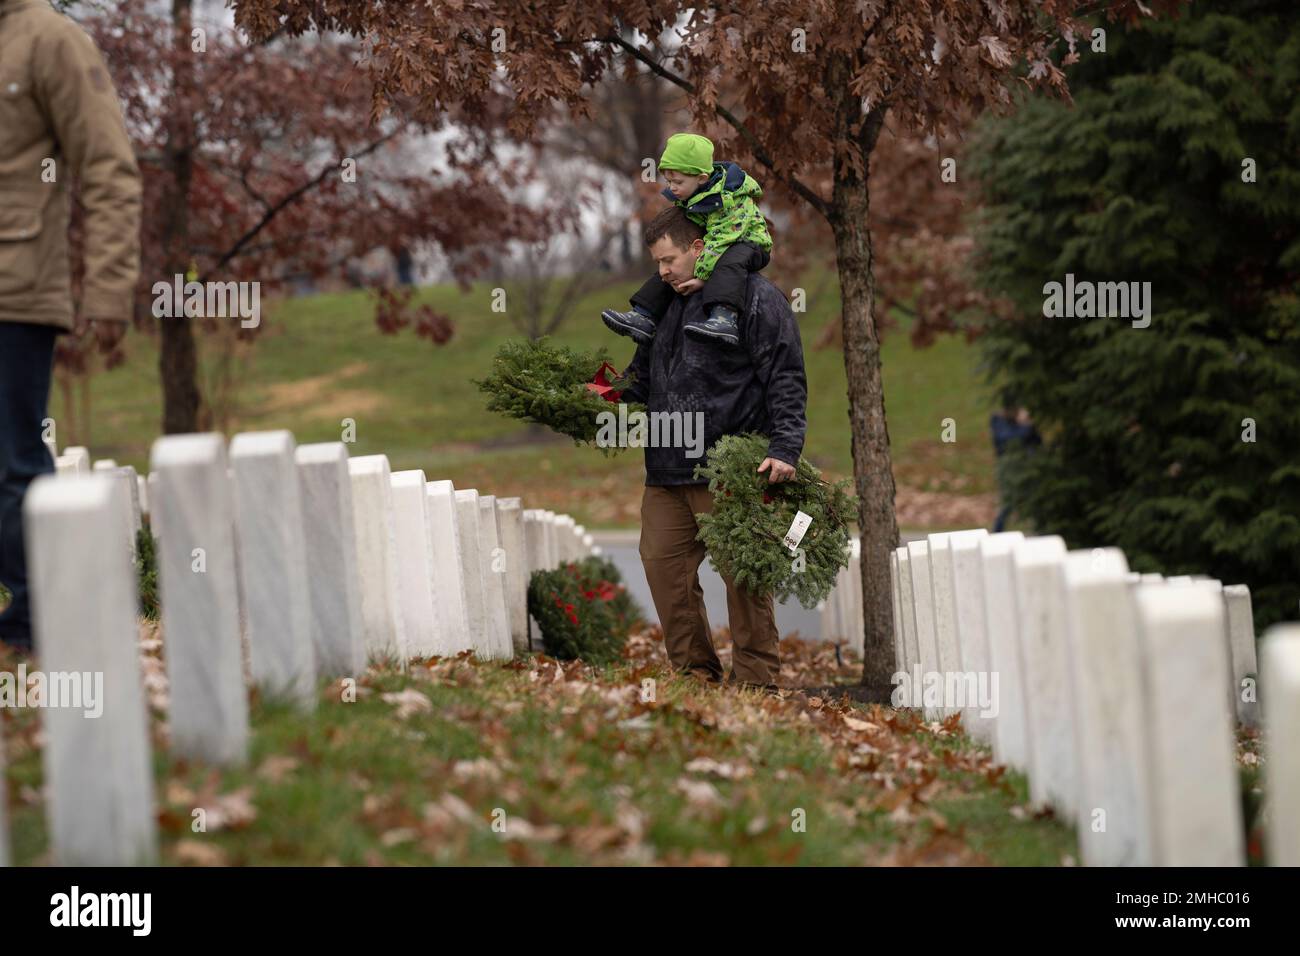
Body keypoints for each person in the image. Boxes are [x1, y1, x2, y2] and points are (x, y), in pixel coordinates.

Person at [0, 0, 142, 652]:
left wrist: (109, 289)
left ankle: (41, 623)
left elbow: (109, 165)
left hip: (15, 291)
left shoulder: (51, 39)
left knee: (11, 464)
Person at [619, 206, 805, 691]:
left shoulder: (755, 299)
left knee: (745, 580)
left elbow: (785, 376)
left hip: (729, 466)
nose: (661, 272)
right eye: (657, 263)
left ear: (699, 249)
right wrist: (598, 395)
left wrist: (785, 447)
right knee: (663, 569)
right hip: (665, 468)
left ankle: (757, 683)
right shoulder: (664, 305)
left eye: (669, 260)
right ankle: (696, 675)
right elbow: (642, 378)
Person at [601, 133, 772, 348]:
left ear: (701, 178)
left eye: (678, 181)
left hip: (747, 243)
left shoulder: (727, 198)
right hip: (715, 243)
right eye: (669, 181)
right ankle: (643, 316)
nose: (672, 187)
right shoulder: (691, 194)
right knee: (669, 269)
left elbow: (722, 240)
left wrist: (701, 277)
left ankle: (724, 318)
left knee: (729, 263)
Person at [990, 401, 1042, 533]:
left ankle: (1041, 532)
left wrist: (1029, 424)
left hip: (1026, 465)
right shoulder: (998, 420)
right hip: (1007, 468)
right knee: (1007, 503)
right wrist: (1024, 425)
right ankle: (996, 534)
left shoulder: (1023, 422)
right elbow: (1005, 438)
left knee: (1034, 501)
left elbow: (1037, 442)